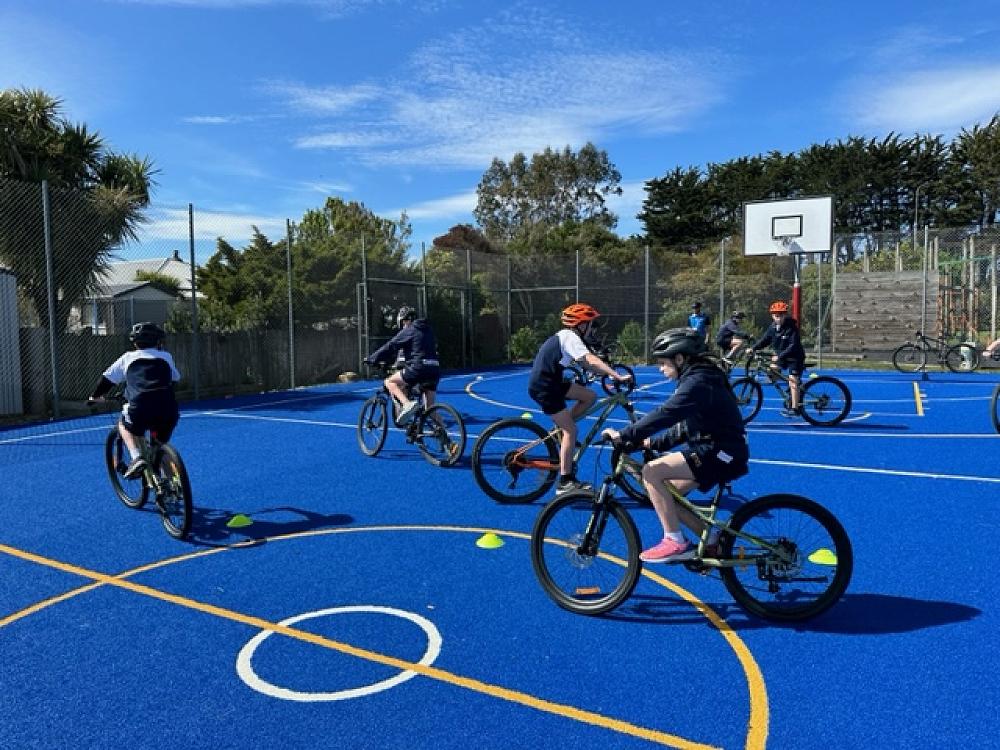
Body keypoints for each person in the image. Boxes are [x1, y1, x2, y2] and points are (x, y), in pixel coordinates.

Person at [603, 328, 749, 563]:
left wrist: (625, 435)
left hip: (721, 452)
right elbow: (684, 426)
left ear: (679, 359)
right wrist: (652, 442)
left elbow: (667, 413)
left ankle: (675, 540)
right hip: (720, 450)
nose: (660, 369)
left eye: (663, 363)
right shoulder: (700, 378)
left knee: (651, 472)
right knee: (668, 494)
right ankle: (712, 540)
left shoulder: (698, 381)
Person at [528, 303, 632, 496]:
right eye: (590, 325)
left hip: (552, 382)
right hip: (546, 387)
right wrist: (615, 375)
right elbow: (590, 360)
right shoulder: (570, 337)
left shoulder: (567, 336)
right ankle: (565, 481)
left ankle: (559, 431)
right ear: (581, 325)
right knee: (571, 430)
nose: (592, 329)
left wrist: (603, 371)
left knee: (589, 396)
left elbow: (587, 363)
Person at [88, 322, 181, 479]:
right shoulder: (166, 357)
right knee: (159, 445)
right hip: (168, 408)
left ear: (135, 343)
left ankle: (136, 457)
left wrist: (94, 397)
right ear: (158, 342)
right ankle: (172, 483)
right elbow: (175, 379)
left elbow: (106, 380)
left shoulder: (128, 358)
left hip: (140, 408)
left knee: (123, 424)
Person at [364, 306, 440, 426]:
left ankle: (407, 404)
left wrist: (372, 359)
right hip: (434, 369)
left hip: (418, 368)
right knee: (430, 410)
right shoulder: (428, 330)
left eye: (402, 323)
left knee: (389, 382)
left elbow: (391, 346)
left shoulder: (410, 329)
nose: (403, 327)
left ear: (405, 320)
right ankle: (445, 436)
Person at [751, 300, 806, 418]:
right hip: (782, 356)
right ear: (772, 316)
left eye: (781, 315)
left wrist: (779, 356)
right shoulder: (772, 327)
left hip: (795, 357)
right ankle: (793, 389)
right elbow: (765, 340)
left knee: (792, 380)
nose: (779, 318)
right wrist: (753, 348)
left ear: (785, 315)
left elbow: (793, 345)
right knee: (772, 369)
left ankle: (795, 408)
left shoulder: (791, 327)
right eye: (776, 315)